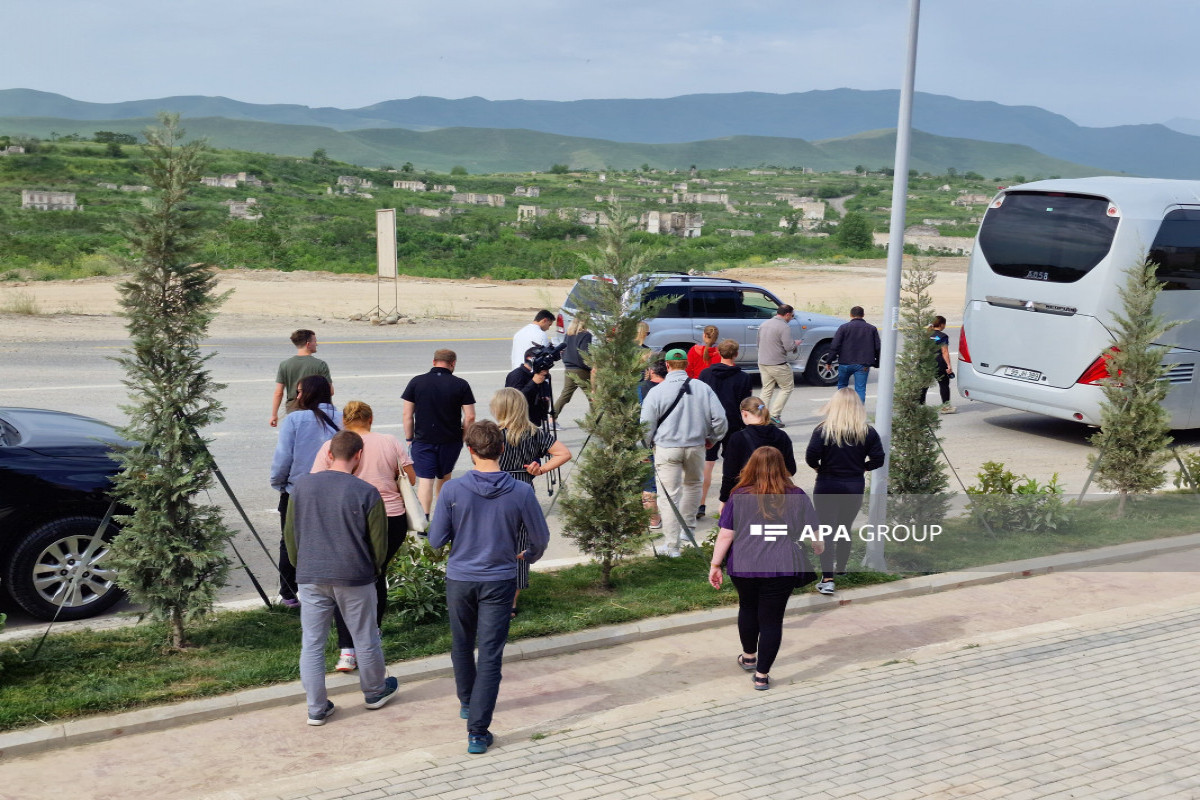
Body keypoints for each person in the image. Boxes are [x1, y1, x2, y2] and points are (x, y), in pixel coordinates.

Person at [429, 421, 551, 755]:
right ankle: (478, 732)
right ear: (501, 449)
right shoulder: (521, 491)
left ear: (470, 451)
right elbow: (540, 538)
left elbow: (436, 539)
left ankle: (467, 701)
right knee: (491, 654)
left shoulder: (451, 490)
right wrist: (529, 556)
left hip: (461, 578)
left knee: (461, 643)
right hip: (500, 579)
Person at [284, 429, 398, 724]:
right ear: (359, 456)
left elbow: (290, 536)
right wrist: (372, 570)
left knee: (312, 642)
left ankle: (316, 708)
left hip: (311, 575)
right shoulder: (366, 492)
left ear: (330, 454)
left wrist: (301, 566)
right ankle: (374, 692)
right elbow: (378, 544)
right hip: (355, 576)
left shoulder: (301, 487)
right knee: (365, 636)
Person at [312, 401, 416, 673]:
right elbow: (411, 478)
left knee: (342, 580)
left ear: (345, 422)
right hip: (390, 518)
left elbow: (317, 481)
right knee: (376, 576)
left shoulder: (333, 446)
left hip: (346, 519)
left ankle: (347, 650)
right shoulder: (389, 441)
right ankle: (373, 633)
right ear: (370, 419)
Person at [709, 446, 822, 691]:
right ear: (782, 468)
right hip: (782, 566)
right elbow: (814, 533)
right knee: (772, 620)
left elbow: (726, 535)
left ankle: (749, 657)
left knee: (747, 608)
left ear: (751, 467)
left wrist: (715, 564)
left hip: (744, 564)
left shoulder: (738, 495)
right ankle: (762, 675)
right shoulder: (796, 494)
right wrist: (818, 546)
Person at [491, 387, 571, 617]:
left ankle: (492, 592)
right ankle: (511, 603)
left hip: (496, 489)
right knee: (520, 545)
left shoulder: (494, 434)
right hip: (523, 489)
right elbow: (564, 453)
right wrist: (542, 468)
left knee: (494, 542)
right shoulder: (534, 433)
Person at [640, 348, 728, 557]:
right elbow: (721, 420)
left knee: (669, 496)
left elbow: (646, 424)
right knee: (693, 486)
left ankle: (672, 546)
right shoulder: (702, 387)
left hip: (666, 448)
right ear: (687, 365)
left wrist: (645, 446)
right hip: (696, 446)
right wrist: (712, 438)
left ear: (668, 366)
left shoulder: (657, 391)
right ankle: (687, 533)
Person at [270, 374, 342, 608]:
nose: (297, 396)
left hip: (297, 491)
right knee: (331, 540)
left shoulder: (295, 420)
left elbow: (283, 459)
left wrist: (280, 484)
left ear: (309, 394)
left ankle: (289, 594)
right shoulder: (342, 418)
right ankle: (331, 591)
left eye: (300, 392)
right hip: (335, 490)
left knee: (290, 542)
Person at [806, 388, 886, 595]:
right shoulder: (867, 432)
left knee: (826, 531)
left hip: (827, 484)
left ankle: (828, 578)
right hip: (853, 486)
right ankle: (841, 568)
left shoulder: (823, 430)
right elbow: (878, 459)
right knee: (844, 528)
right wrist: (862, 467)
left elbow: (810, 457)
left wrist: (819, 468)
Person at [402, 349, 477, 514]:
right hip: (450, 440)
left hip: (423, 440)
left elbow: (407, 415)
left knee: (425, 481)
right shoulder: (461, 384)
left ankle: (424, 523)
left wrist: (409, 438)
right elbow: (470, 416)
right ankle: (443, 517)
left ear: (434, 362)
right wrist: (463, 437)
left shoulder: (416, 382)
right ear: (453, 364)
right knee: (444, 478)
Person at [698, 339, 753, 519]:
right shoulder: (743, 377)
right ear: (736, 354)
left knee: (707, 464)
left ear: (719, 353)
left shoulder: (706, 374)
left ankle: (701, 503)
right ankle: (728, 503)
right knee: (732, 467)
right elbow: (745, 403)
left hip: (710, 423)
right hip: (734, 424)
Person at [719, 396, 796, 507]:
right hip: (778, 495)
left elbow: (729, 474)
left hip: (747, 497)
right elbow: (791, 469)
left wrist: (724, 500)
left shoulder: (737, 438)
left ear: (744, 413)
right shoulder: (781, 436)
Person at [270, 329, 332, 427]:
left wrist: (274, 415)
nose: (317, 344)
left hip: (293, 409)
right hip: (316, 410)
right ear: (308, 344)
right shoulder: (320, 365)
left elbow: (278, 393)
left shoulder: (284, 365)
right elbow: (330, 391)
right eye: (315, 341)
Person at [756, 304, 801, 427]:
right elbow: (788, 347)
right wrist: (795, 344)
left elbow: (758, 343)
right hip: (777, 363)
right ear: (787, 314)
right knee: (787, 388)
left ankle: (761, 415)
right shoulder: (784, 327)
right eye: (792, 315)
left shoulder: (764, 324)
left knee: (766, 389)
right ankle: (775, 416)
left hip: (763, 362)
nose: (791, 318)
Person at [638, 359, 668, 529]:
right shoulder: (673, 389)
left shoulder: (640, 389)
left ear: (650, 371)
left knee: (648, 482)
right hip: (670, 442)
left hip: (646, 441)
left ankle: (653, 519)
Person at [829, 306, 881, 404]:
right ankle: (859, 414)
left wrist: (829, 361)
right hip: (863, 364)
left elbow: (834, 346)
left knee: (842, 388)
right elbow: (877, 348)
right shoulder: (872, 328)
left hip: (845, 362)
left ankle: (842, 409)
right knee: (860, 389)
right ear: (863, 315)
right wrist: (877, 362)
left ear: (851, 315)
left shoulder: (843, 328)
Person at [552, 318, 593, 418]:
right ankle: (594, 421)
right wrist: (590, 366)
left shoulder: (568, 335)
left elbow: (563, 349)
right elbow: (584, 353)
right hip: (581, 369)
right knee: (592, 396)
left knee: (565, 395)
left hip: (569, 368)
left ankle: (552, 418)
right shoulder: (586, 335)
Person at [505, 347, 553, 427]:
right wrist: (533, 382)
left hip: (534, 420)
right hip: (518, 422)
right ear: (530, 359)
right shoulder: (517, 375)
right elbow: (515, 399)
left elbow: (545, 397)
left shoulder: (537, 374)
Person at [919, 315, 957, 414]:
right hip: (938, 363)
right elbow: (944, 352)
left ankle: (920, 406)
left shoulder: (925, 334)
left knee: (924, 385)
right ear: (941, 324)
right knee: (944, 385)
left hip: (925, 362)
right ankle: (945, 407)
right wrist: (949, 366)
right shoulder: (943, 336)